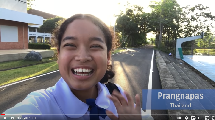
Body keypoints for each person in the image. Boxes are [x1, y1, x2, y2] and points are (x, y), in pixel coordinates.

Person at [3, 14, 153, 120]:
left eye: (95, 46)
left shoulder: (116, 95)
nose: (82, 57)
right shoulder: (40, 104)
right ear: (59, 54)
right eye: (70, 45)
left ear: (108, 57)